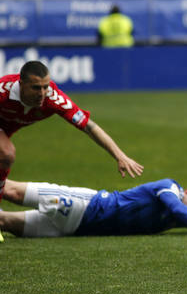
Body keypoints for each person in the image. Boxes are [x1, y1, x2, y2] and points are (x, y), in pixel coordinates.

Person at [0, 61, 144, 199]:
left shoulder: (53, 99)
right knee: (7, 154)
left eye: (45, 87)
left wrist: (120, 156)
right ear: (21, 84)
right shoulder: (3, 91)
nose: (42, 93)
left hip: (6, 131)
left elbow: (88, 126)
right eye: (36, 88)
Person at [0, 178, 187, 238]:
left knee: (5, 222)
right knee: (9, 190)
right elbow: (181, 210)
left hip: (75, 229)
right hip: (84, 204)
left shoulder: (175, 218)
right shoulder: (170, 188)